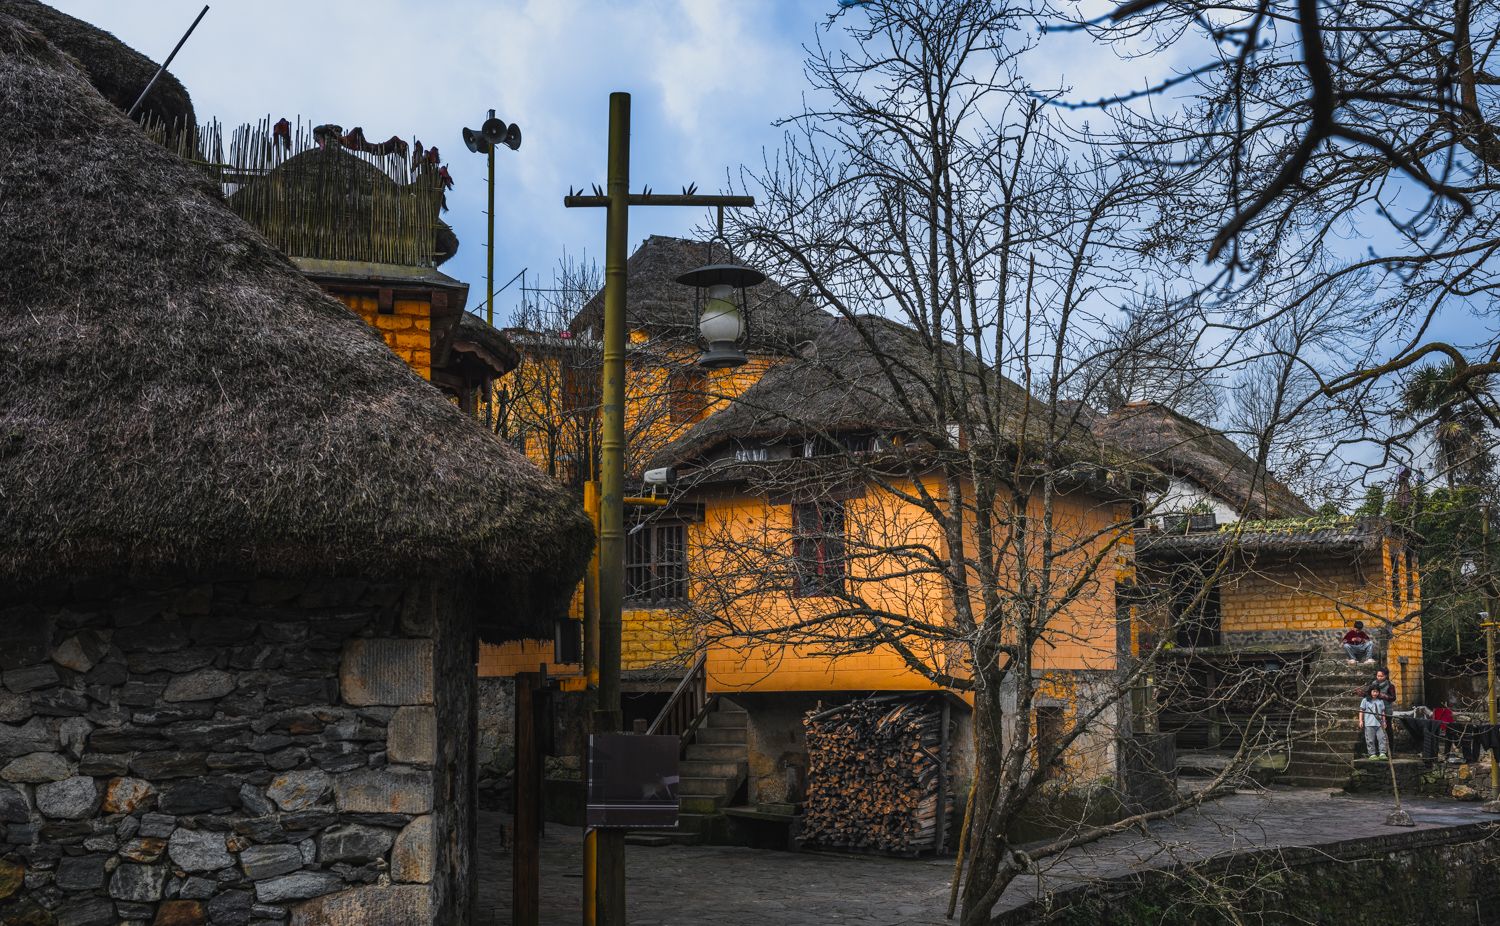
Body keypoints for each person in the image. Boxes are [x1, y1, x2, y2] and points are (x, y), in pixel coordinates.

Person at [1358, 686, 1390, 759]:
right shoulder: (1365, 700)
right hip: (1369, 723)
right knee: (1370, 740)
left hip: (1379, 724)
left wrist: (1384, 722)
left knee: (1382, 738)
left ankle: (1382, 753)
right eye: (1373, 691)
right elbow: (1361, 711)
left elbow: (1383, 712)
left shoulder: (1380, 701)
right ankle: (1372, 754)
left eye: (1377, 692)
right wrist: (1360, 721)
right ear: (1370, 692)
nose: (1375, 693)